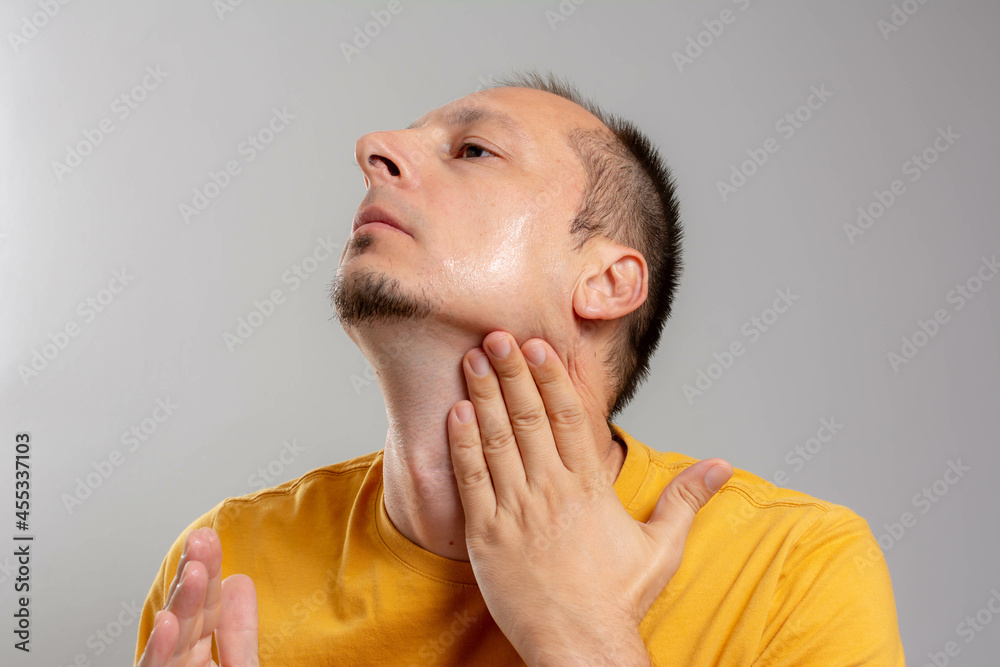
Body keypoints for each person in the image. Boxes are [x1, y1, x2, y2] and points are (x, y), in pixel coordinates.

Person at [134, 70, 905, 666]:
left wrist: (581, 636)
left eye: (473, 150)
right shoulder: (225, 562)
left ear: (606, 281)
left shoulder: (792, 568)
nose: (373, 147)